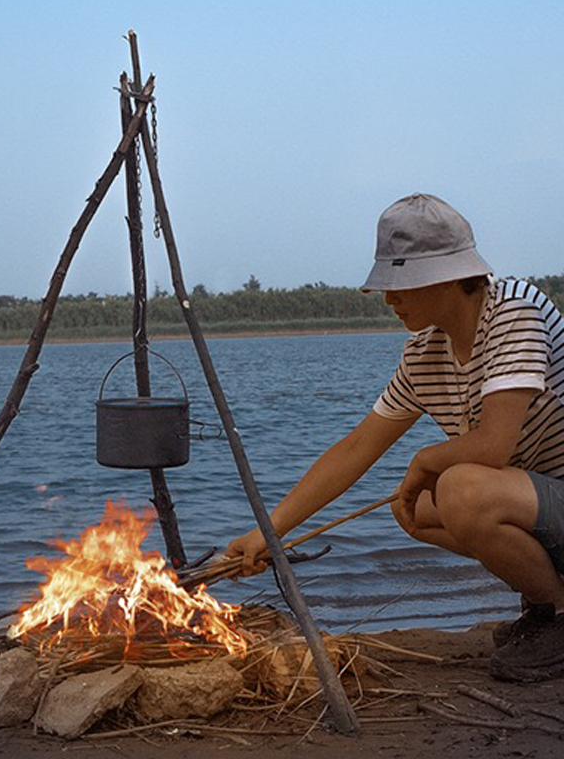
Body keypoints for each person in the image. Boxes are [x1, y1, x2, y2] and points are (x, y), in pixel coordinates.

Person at [225, 192, 564, 682]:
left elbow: (493, 447)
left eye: (401, 284)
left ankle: (556, 612)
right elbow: (357, 447)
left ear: (447, 277)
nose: (389, 298)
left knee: (459, 488)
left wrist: (426, 461)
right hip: (542, 500)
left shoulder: (515, 311)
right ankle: (542, 603)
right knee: (414, 509)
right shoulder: (425, 352)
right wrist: (270, 532)